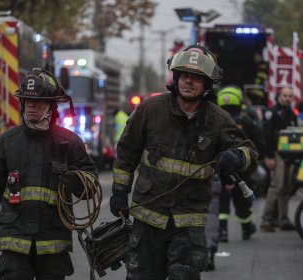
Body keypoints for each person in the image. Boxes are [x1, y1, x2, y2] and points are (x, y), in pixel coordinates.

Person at [109, 44, 258, 280]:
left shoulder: (218, 120)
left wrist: (237, 157)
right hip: (148, 217)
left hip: (188, 222)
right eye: (185, 76)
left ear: (207, 84)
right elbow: (127, 152)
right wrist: (119, 190)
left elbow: (249, 151)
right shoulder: (150, 109)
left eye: (197, 78)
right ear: (176, 78)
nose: (189, 82)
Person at [0, 68, 99, 280]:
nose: (31, 105)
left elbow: (91, 183)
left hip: (52, 241)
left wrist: (76, 181)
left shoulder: (69, 142)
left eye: (37, 102)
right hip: (15, 238)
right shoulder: (8, 142)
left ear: (51, 106)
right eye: (27, 101)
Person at [216, 85, 264, 242]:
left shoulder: (214, 121)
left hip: (219, 168)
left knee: (221, 199)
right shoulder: (247, 121)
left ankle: (222, 231)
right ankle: (246, 228)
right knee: (243, 199)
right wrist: (257, 160)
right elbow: (257, 141)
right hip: (243, 169)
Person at [260, 87, 297, 232]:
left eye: (290, 96)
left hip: (289, 155)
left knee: (286, 189)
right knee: (276, 187)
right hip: (277, 154)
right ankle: (266, 220)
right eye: (285, 95)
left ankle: (283, 220)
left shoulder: (291, 113)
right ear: (279, 96)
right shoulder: (272, 112)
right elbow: (267, 136)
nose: (287, 98)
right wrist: (269, 157)